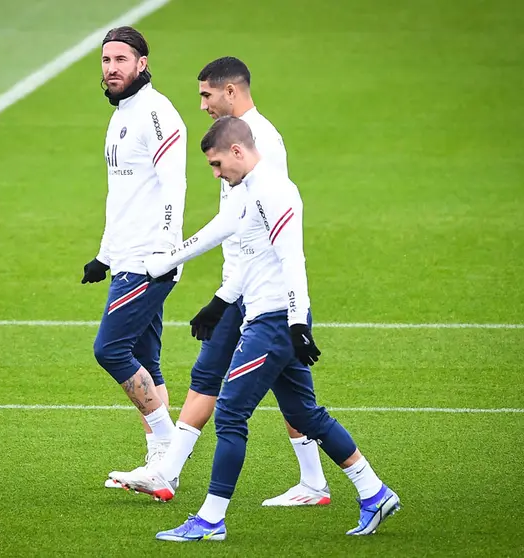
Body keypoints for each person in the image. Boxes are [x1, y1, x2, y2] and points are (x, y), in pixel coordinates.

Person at [155, 117, 400, 541]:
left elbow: (292, 259)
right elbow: (252, 258)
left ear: (237, 151)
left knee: (230, 412)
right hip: (264, 316)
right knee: (305, 413)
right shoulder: (249, 191)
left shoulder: (274, 190)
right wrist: (221, 302)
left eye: (216, 164)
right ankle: (373, 492)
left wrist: (298, 322)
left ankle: (211, 520)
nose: (215, 175)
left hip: (273, 324)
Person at [110, 57, 330, 506]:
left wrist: (178, 263)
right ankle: (170, 472)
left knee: (271, 394)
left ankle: (311, 485)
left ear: (231, 92)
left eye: (207, 95)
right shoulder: (236, 139)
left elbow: (240, 223)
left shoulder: (257, 140)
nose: (203, 105)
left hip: (257, 289)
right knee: (217, 375)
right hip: (242, 286)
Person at [82, 26, 187, 488]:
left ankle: (170, 448)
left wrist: (166, 247)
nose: (111, 69)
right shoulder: (123, 112)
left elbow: (173, 184)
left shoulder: (157, 113)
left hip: (149, 259)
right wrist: (104, 255)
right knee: (147, 357)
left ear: (142, 63)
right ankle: (162, 471)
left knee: (110, 349)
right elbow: (121, 193)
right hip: (126, 255)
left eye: (121, 60)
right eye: (106, 61)